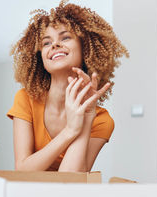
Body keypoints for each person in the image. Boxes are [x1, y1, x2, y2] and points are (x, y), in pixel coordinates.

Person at [7, 0, 129, 172]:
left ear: (85, 48)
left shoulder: (101, 120)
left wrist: (86, 117)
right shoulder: (25, 100)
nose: (55, 45)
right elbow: (22, 170)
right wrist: (70, 130)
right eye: (47, 42)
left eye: (65, 37)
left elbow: (71, 179)